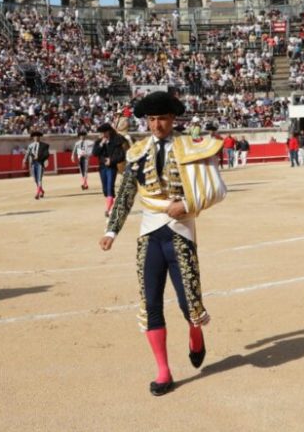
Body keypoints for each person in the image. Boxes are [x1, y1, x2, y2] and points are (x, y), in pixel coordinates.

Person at [99, 91, 228, 397]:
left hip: (180, 230)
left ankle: (195, 333)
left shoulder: (191, 146)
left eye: (162, 119)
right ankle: (163, 370)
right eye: (152, 119)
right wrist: (111, 231)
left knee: (188, 303)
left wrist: (186, 203)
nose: (157, 125)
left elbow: (218, 189)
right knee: (150, 303)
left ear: (173, 119)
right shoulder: (138, 151)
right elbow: (127, 193)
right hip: (149, 233)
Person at [94, 123, 126, 217]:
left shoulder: (116, 141)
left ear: (108, 132)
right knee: (105, 189)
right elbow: (95, 153)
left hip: (111, 167)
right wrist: (101, 144)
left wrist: (111, 160)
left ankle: (108, 209)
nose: (102, 134)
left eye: (104, 132)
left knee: (109, 187)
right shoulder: (99, 142)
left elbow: (121, 156)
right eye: (101, 133)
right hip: (102, 167)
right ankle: (112, 205)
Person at [23, 131, 50, 200]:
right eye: (35, 136)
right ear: (33, 138)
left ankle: (38, 193)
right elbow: (27, 153)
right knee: (35, 179)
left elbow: (47, 154)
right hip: (33, 163)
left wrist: (39, 157)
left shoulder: (44, 145)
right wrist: (24, 160)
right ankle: (41, 190)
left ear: (39, 137)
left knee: (39, 178)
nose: (36, 138)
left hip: (40, 163)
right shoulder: (30, 146)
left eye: (37, 136)